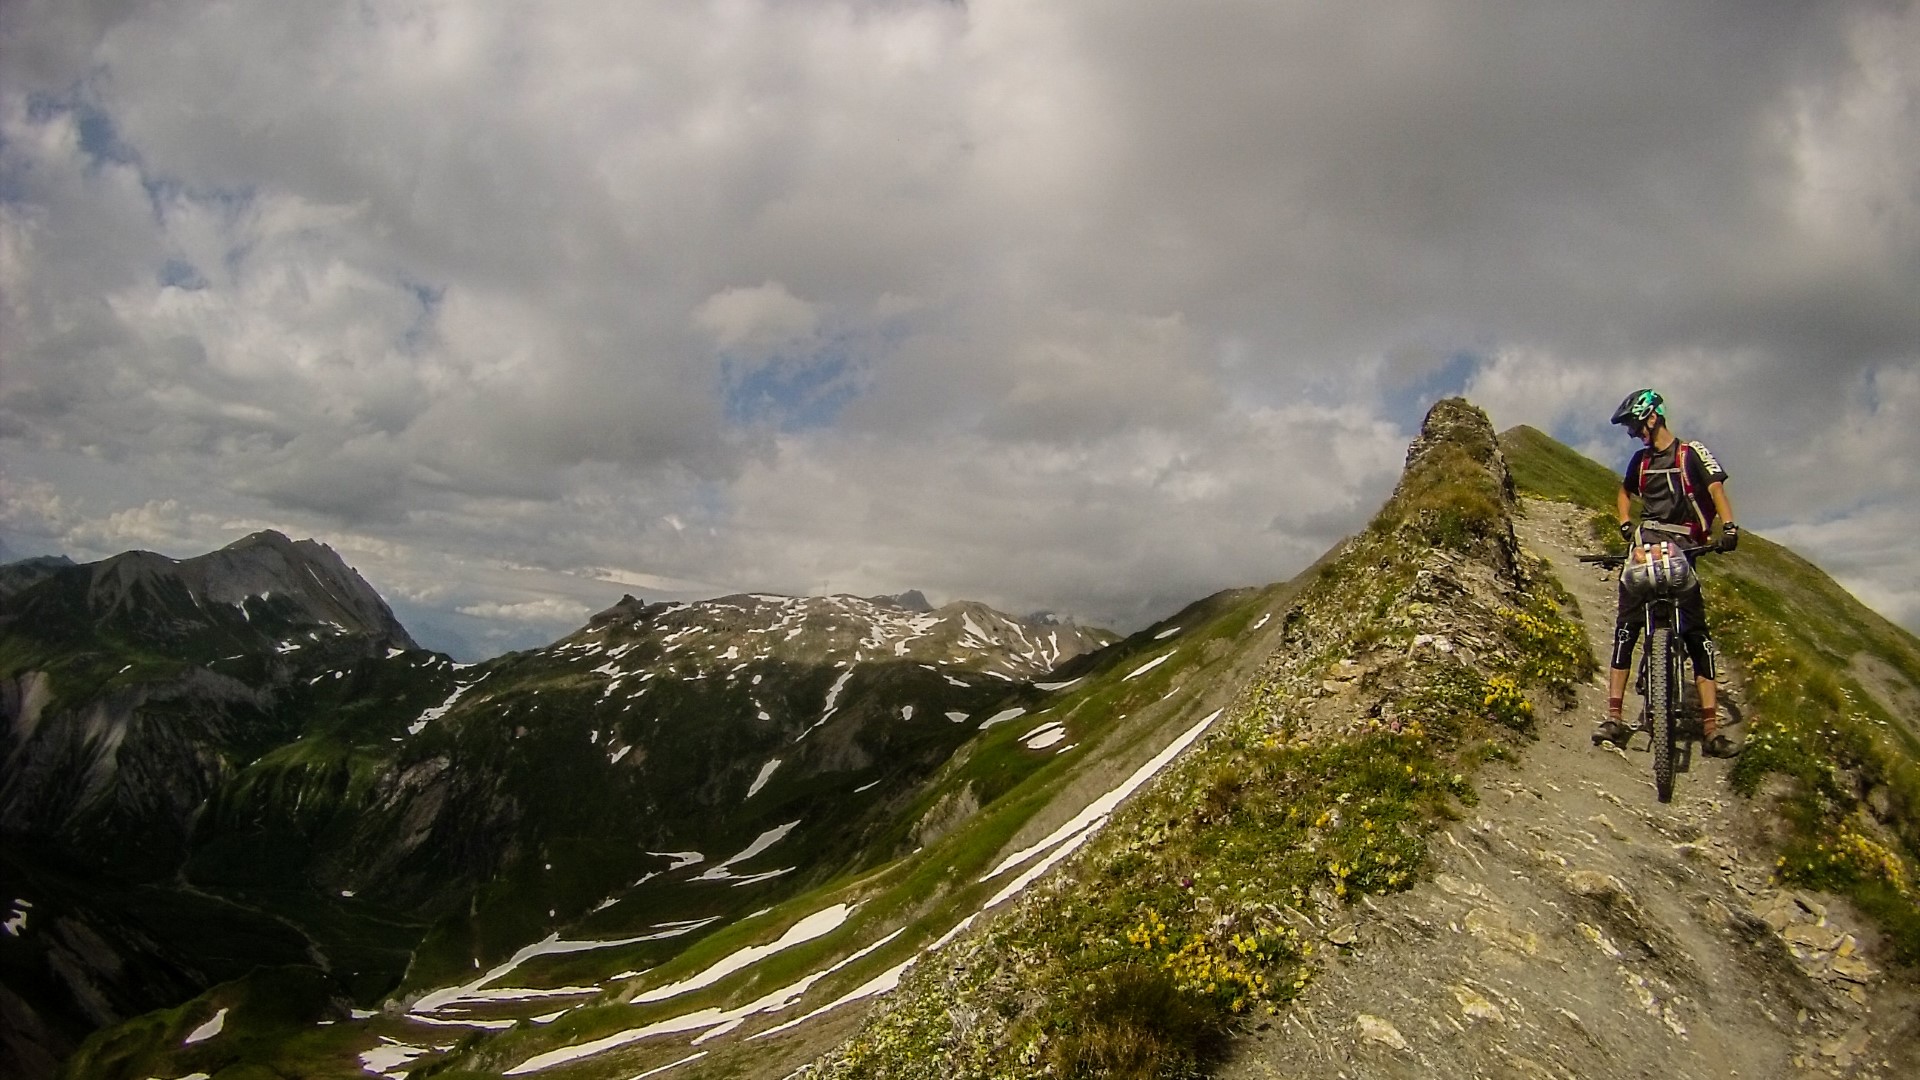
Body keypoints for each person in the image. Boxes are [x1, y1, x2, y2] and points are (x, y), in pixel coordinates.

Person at [1593, 389, 1742, 757]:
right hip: (1645, 546)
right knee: (1627, 627)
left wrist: (1729, 526)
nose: (1633, 434)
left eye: (1634, 426)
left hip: (1683, 546)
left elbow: (1715, 488)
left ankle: (1710, 729)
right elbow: (1624, 493)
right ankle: (1614, 717)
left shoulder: (1691, 453)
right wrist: (1625, 522)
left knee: (1696, 636)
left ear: (1653, 417)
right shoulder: (1640, 461)